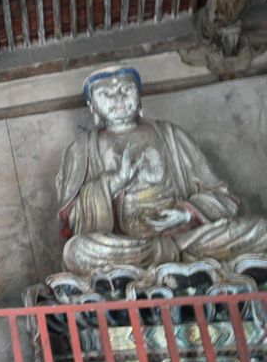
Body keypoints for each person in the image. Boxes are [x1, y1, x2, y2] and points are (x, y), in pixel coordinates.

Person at [56, 65, 267, 274]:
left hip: (186, 237)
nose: (117, 99)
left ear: (140, 97)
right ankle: (167, 259)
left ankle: (165, 258)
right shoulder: (81, 149)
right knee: (77, 250)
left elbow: (222, 196)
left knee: (260, 229)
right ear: (92, 106)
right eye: (106, 94)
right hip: (126, 245)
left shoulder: (171, 135)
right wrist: (115, 181)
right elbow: (75, 219)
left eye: (126, 90)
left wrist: (185, 214)